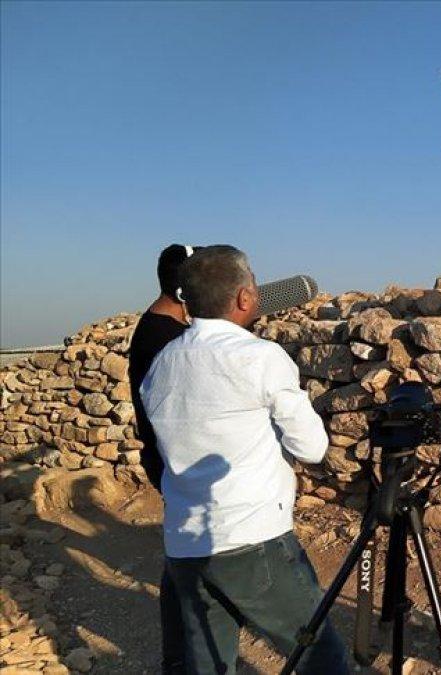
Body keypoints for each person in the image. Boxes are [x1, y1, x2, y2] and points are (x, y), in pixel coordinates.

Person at [141, 245, 348, 674]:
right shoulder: (259, 357)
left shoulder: (162, 364)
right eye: (252, 280)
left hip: (185, 545)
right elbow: (312, 447)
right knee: (321, 657)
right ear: (244, 298)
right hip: (251, 539)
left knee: (210, 663)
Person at [127, 243, 199, 675]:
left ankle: (180, 656)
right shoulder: (165, 339)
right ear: (185, 290)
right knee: (187, 562)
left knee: (183, 557)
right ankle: (183, 658)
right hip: (176, 463)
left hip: (169, 462)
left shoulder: (160, 327)